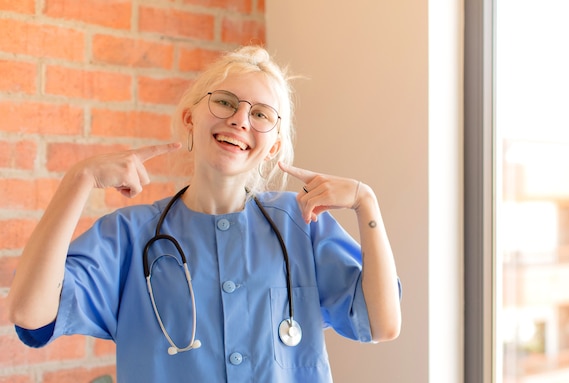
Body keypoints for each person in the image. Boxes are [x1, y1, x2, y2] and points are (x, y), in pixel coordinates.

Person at [7, 45, 401, 382]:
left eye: (261, 114)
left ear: (275, 146)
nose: (240, 119)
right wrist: (79, 178)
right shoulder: (129, 235)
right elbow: (30, 314)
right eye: (225, 102)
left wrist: (366, 203)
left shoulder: (302, 223)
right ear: (190, 118)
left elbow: (382, 324)